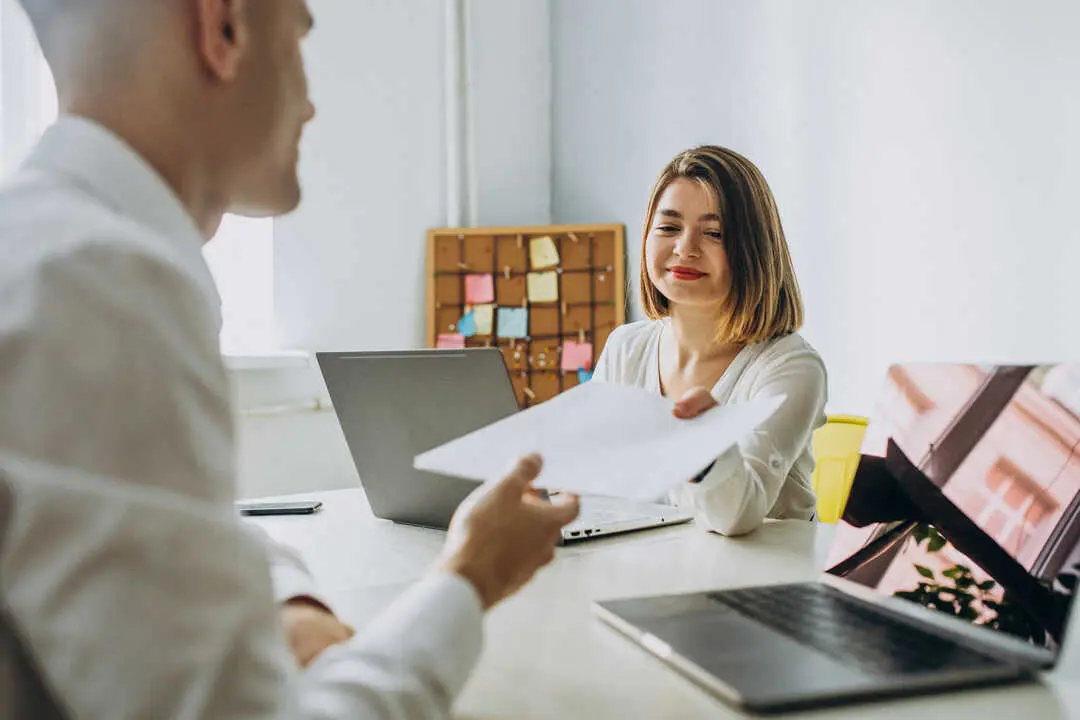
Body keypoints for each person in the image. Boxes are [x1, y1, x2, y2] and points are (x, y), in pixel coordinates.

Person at [0, 1, 579, 718]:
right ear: (223, 28)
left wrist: (290, 603)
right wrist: (469, 577)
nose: (309, 104)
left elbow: (171, 533)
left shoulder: (45, 257)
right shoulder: (100, 285)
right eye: (298, 38)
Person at [592, 145, 827, 536]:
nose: (685, 248)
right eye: (668, 228)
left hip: (763, 571)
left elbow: (737, 516)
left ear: (754, 249)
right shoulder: (625, 349)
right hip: (654, 565)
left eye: (714, 234)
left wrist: (706, 443)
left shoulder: (791, 367)